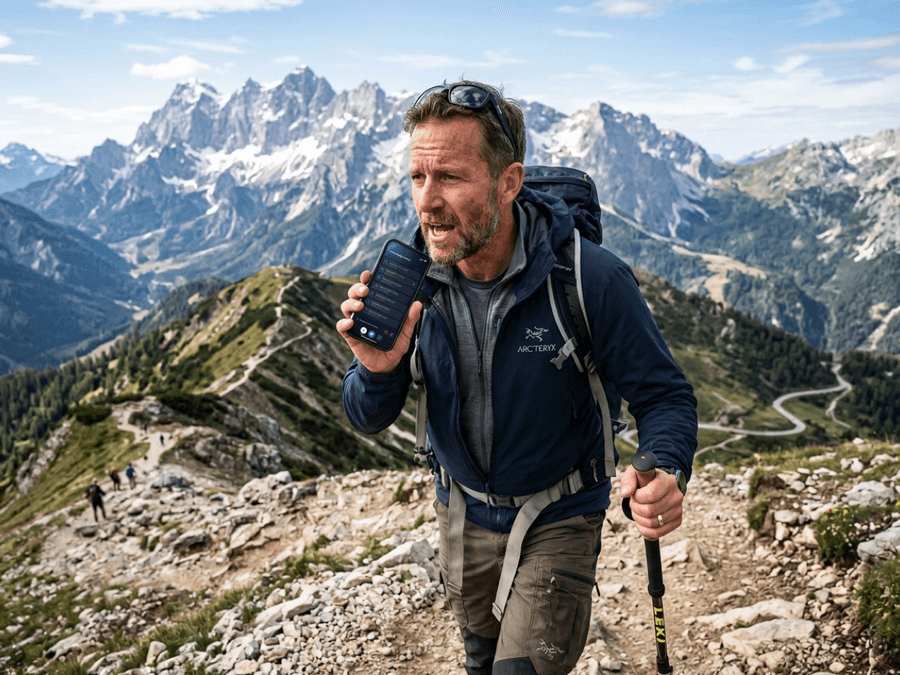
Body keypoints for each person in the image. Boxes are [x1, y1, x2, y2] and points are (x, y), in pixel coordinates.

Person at [338, 81, 697, 675]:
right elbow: (366, 415)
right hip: (462, 514)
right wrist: (377, 371)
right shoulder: (413, 284)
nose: (426, 201)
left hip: (560, 515)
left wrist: (664, 463)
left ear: (509, 182)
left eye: (449, 177)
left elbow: (665, 396)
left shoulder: (590, 279)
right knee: (482, 661)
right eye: (416, 178)